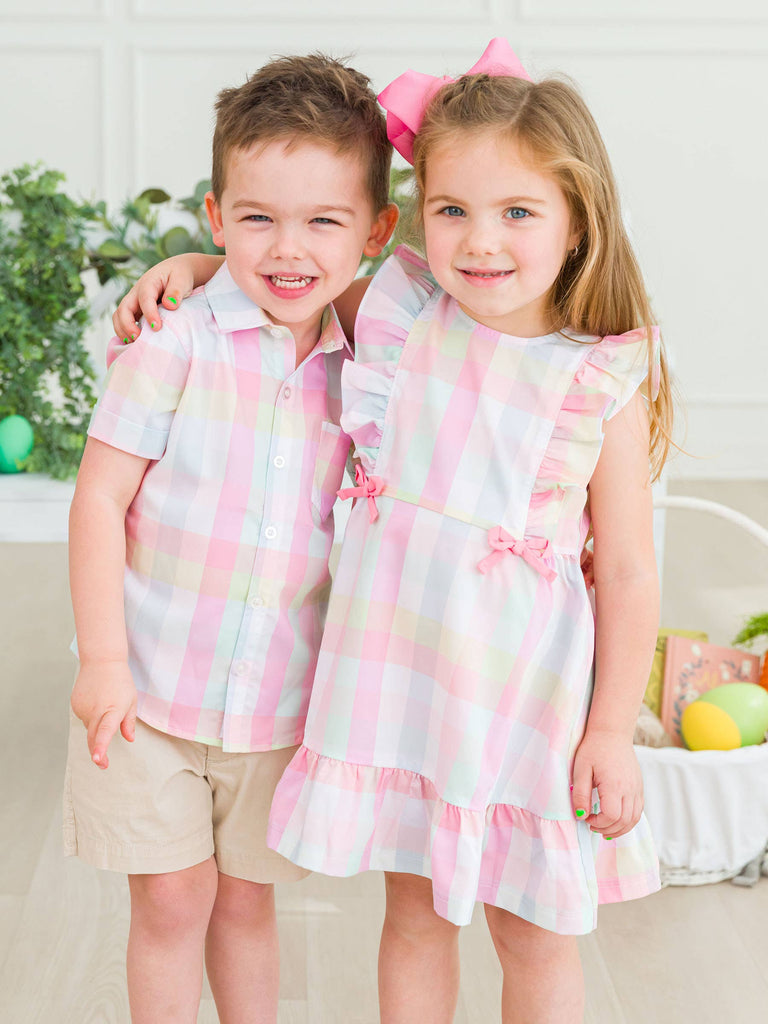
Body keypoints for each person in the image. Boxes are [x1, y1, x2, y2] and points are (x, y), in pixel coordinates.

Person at [114, 39, 673, 1024]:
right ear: (415, 218)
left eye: (517, 212)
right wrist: (198, 264)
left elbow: (627, 572)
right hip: (402, 691)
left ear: (578, 219)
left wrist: (608, 733)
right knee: (413, 917)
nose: (480, 240)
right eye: (451, 210)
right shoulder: (407, 311)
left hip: (521, 703)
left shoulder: (594, 378)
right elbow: (290, 276)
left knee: (531, 932)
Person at [65, 53, 397, 1024]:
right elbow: (97, 499)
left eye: (324, 222)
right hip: (149, 694)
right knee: (172, 899)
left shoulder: (367, 363)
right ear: (215, 216)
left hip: (279, 706)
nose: (288, 249)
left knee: (247, 904)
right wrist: (103, 662)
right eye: (258, 219)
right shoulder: (173, 343)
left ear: (376, 233)